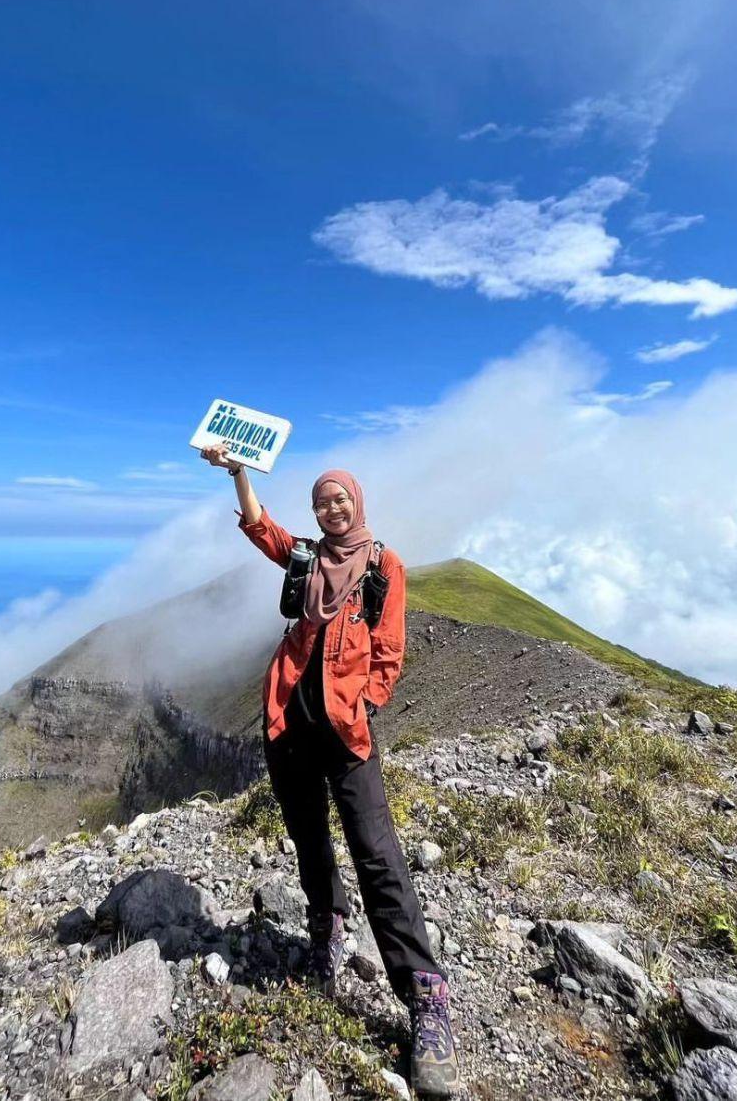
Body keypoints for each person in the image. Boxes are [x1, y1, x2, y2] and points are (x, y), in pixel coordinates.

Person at [200, 442, 459, 1099]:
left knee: (377, 852)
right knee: (309, 839)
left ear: (357, 502)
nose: (331, 506)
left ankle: (426, 997)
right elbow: (263, 531)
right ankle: (328, 932)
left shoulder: (384, 565)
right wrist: (237, 473)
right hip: (288, 721)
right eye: (322, 500)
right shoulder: (307, 557)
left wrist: (362, 703)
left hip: (346, 731)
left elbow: (390, 651)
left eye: (339, 497)